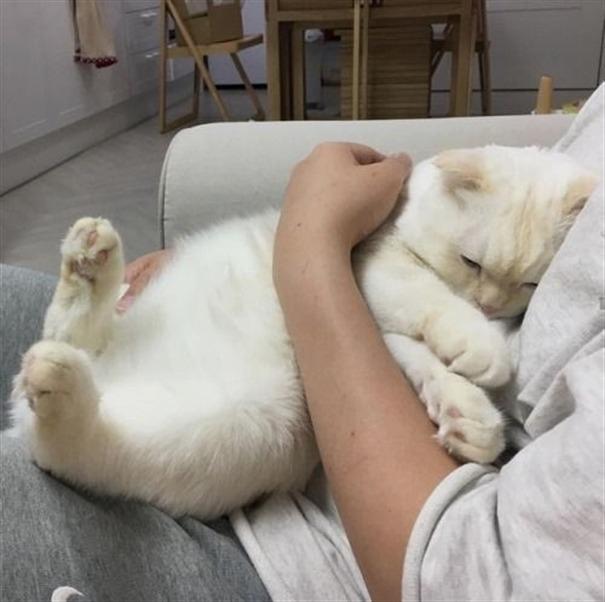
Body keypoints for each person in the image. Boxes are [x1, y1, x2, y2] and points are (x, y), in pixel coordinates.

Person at [1, 141, 603, 602]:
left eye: (523, 287)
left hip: (304, 528)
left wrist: (313, 241)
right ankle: (84, 331)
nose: (489, 303)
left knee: (262, 421)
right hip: (268, 301)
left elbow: (463, 572)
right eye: (473, 265)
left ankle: (79, 439)